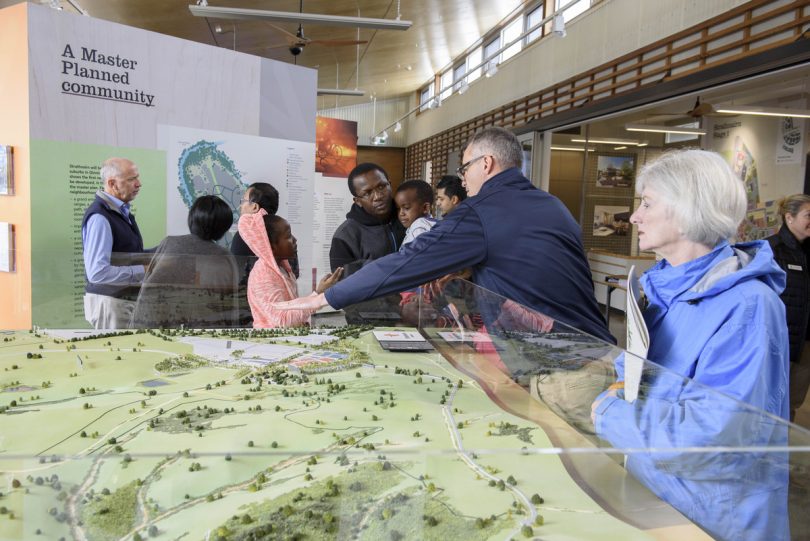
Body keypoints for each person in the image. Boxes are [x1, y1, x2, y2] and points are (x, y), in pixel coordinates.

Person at [591, 149, 789, 541]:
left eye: (646, 203)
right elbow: (635, 380)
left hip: (713, 519)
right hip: (656, 496)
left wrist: (607, 413)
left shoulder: (748, 307)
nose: (634, 217)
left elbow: (712, 442)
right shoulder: (665, 289)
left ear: (686, 212)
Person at [277, 127, 613, 344]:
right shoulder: (552, 204)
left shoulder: (481, 210)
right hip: (595, 345)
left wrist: (321, 300)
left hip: (554, 356)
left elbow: (405, 263)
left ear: (488, 163)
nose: (462, 180)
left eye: (465, 168)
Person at [131, 195, 239, 328]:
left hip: (156, 324)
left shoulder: (170, 243)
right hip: (206, 330)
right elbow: (231, 304)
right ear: (223, 227)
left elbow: (146, 288)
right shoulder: (224, 256)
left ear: (192, 219)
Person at [239, 209, 342, 328]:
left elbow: (292, 309)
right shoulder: (263, 276)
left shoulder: (282, 268)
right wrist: (318, 296)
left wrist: (319, 293)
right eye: (288, 236)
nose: (295, 240)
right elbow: (282, 321)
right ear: (270, 246)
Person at [81, 157, 149, 329]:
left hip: (118, 303)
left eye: (137, 177)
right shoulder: (100, 218)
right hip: (110, 304)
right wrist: (143, 271)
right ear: (112, 184)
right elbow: (97, 273)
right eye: (131, 179)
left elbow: (125, 253)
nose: (138, 184)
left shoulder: (119, 212)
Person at [767, 194, 810, 420]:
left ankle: (781, 450)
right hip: (779, 340)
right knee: (770, 399)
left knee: (792, 401)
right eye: (808, 215)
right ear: (789, 217)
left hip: (806, 345)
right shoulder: (771, 250)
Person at [329, 163, 406, 277]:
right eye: (367, 193)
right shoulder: (344, 235)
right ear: (357, 201)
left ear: (389, 184)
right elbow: (343, 282)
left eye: (381, 187)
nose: (378, 196)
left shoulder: (408, 217)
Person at [395, 179, 437, 247]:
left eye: (406, 208)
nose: (401, 213)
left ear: (425, 208)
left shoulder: (419, 226)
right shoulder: (430, 224)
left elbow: (416, 255)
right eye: (398, 209)